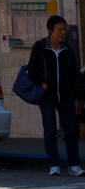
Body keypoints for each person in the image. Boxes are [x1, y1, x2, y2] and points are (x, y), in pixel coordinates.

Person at [27, 14, 84, 177]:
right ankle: (54, 164)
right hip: (47, 97)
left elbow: (74, 76)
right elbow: (32, 70)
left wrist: (77, 98)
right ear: (50, 31)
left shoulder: (67, 50)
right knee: (50, 130)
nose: (63, 33)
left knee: (71, 130)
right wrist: (43, 84)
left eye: (64, 30)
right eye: (60, 30)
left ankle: (74, 165)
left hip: (66, 96)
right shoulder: (40, 47)